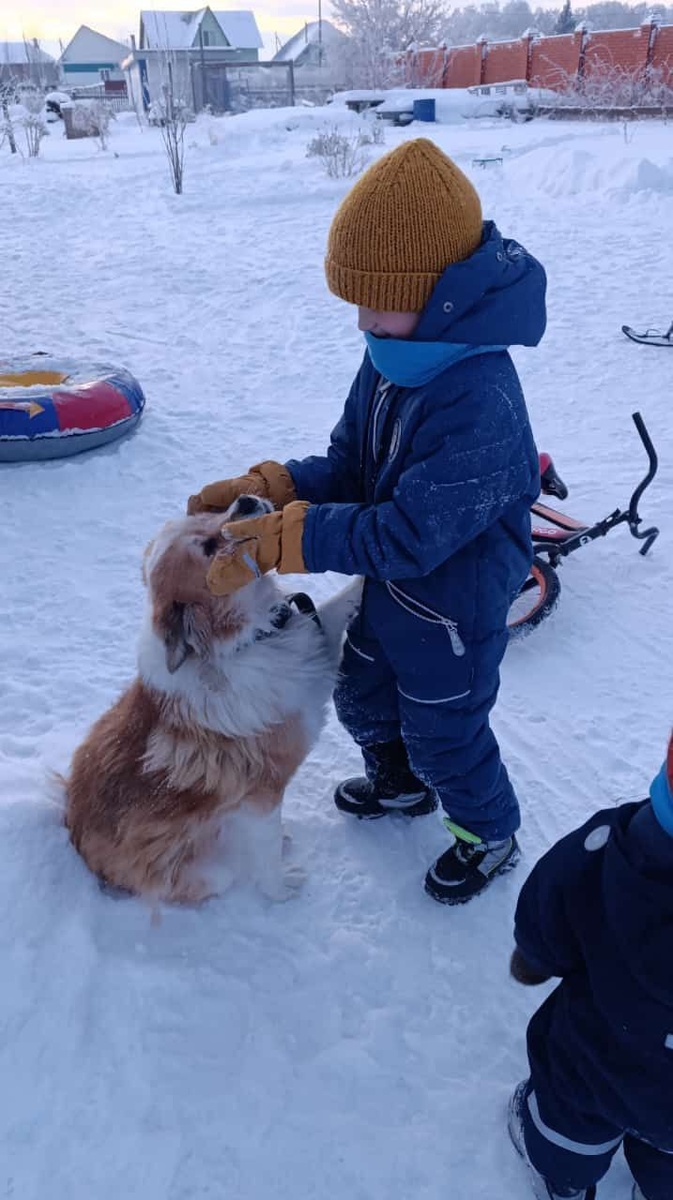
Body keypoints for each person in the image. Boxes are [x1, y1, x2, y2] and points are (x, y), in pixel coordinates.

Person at [187, 139, 546, 904]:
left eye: (374, 300)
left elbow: (409, 534)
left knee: (446, 733)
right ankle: (398, 783)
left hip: (454, 608)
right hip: (395, 589)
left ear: (439, 294)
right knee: (358, 689)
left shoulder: (477, 400)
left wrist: (292, 537)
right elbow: (351, 465)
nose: (359, 321)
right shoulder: (393, 354)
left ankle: (488, 834)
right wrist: (275, 486)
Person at [508, 736, 673, 1200]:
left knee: (570, 1117)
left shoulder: (605, 853)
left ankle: (564, 1183)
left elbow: (549, 909)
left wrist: (534, 958)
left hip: (598, 1058)